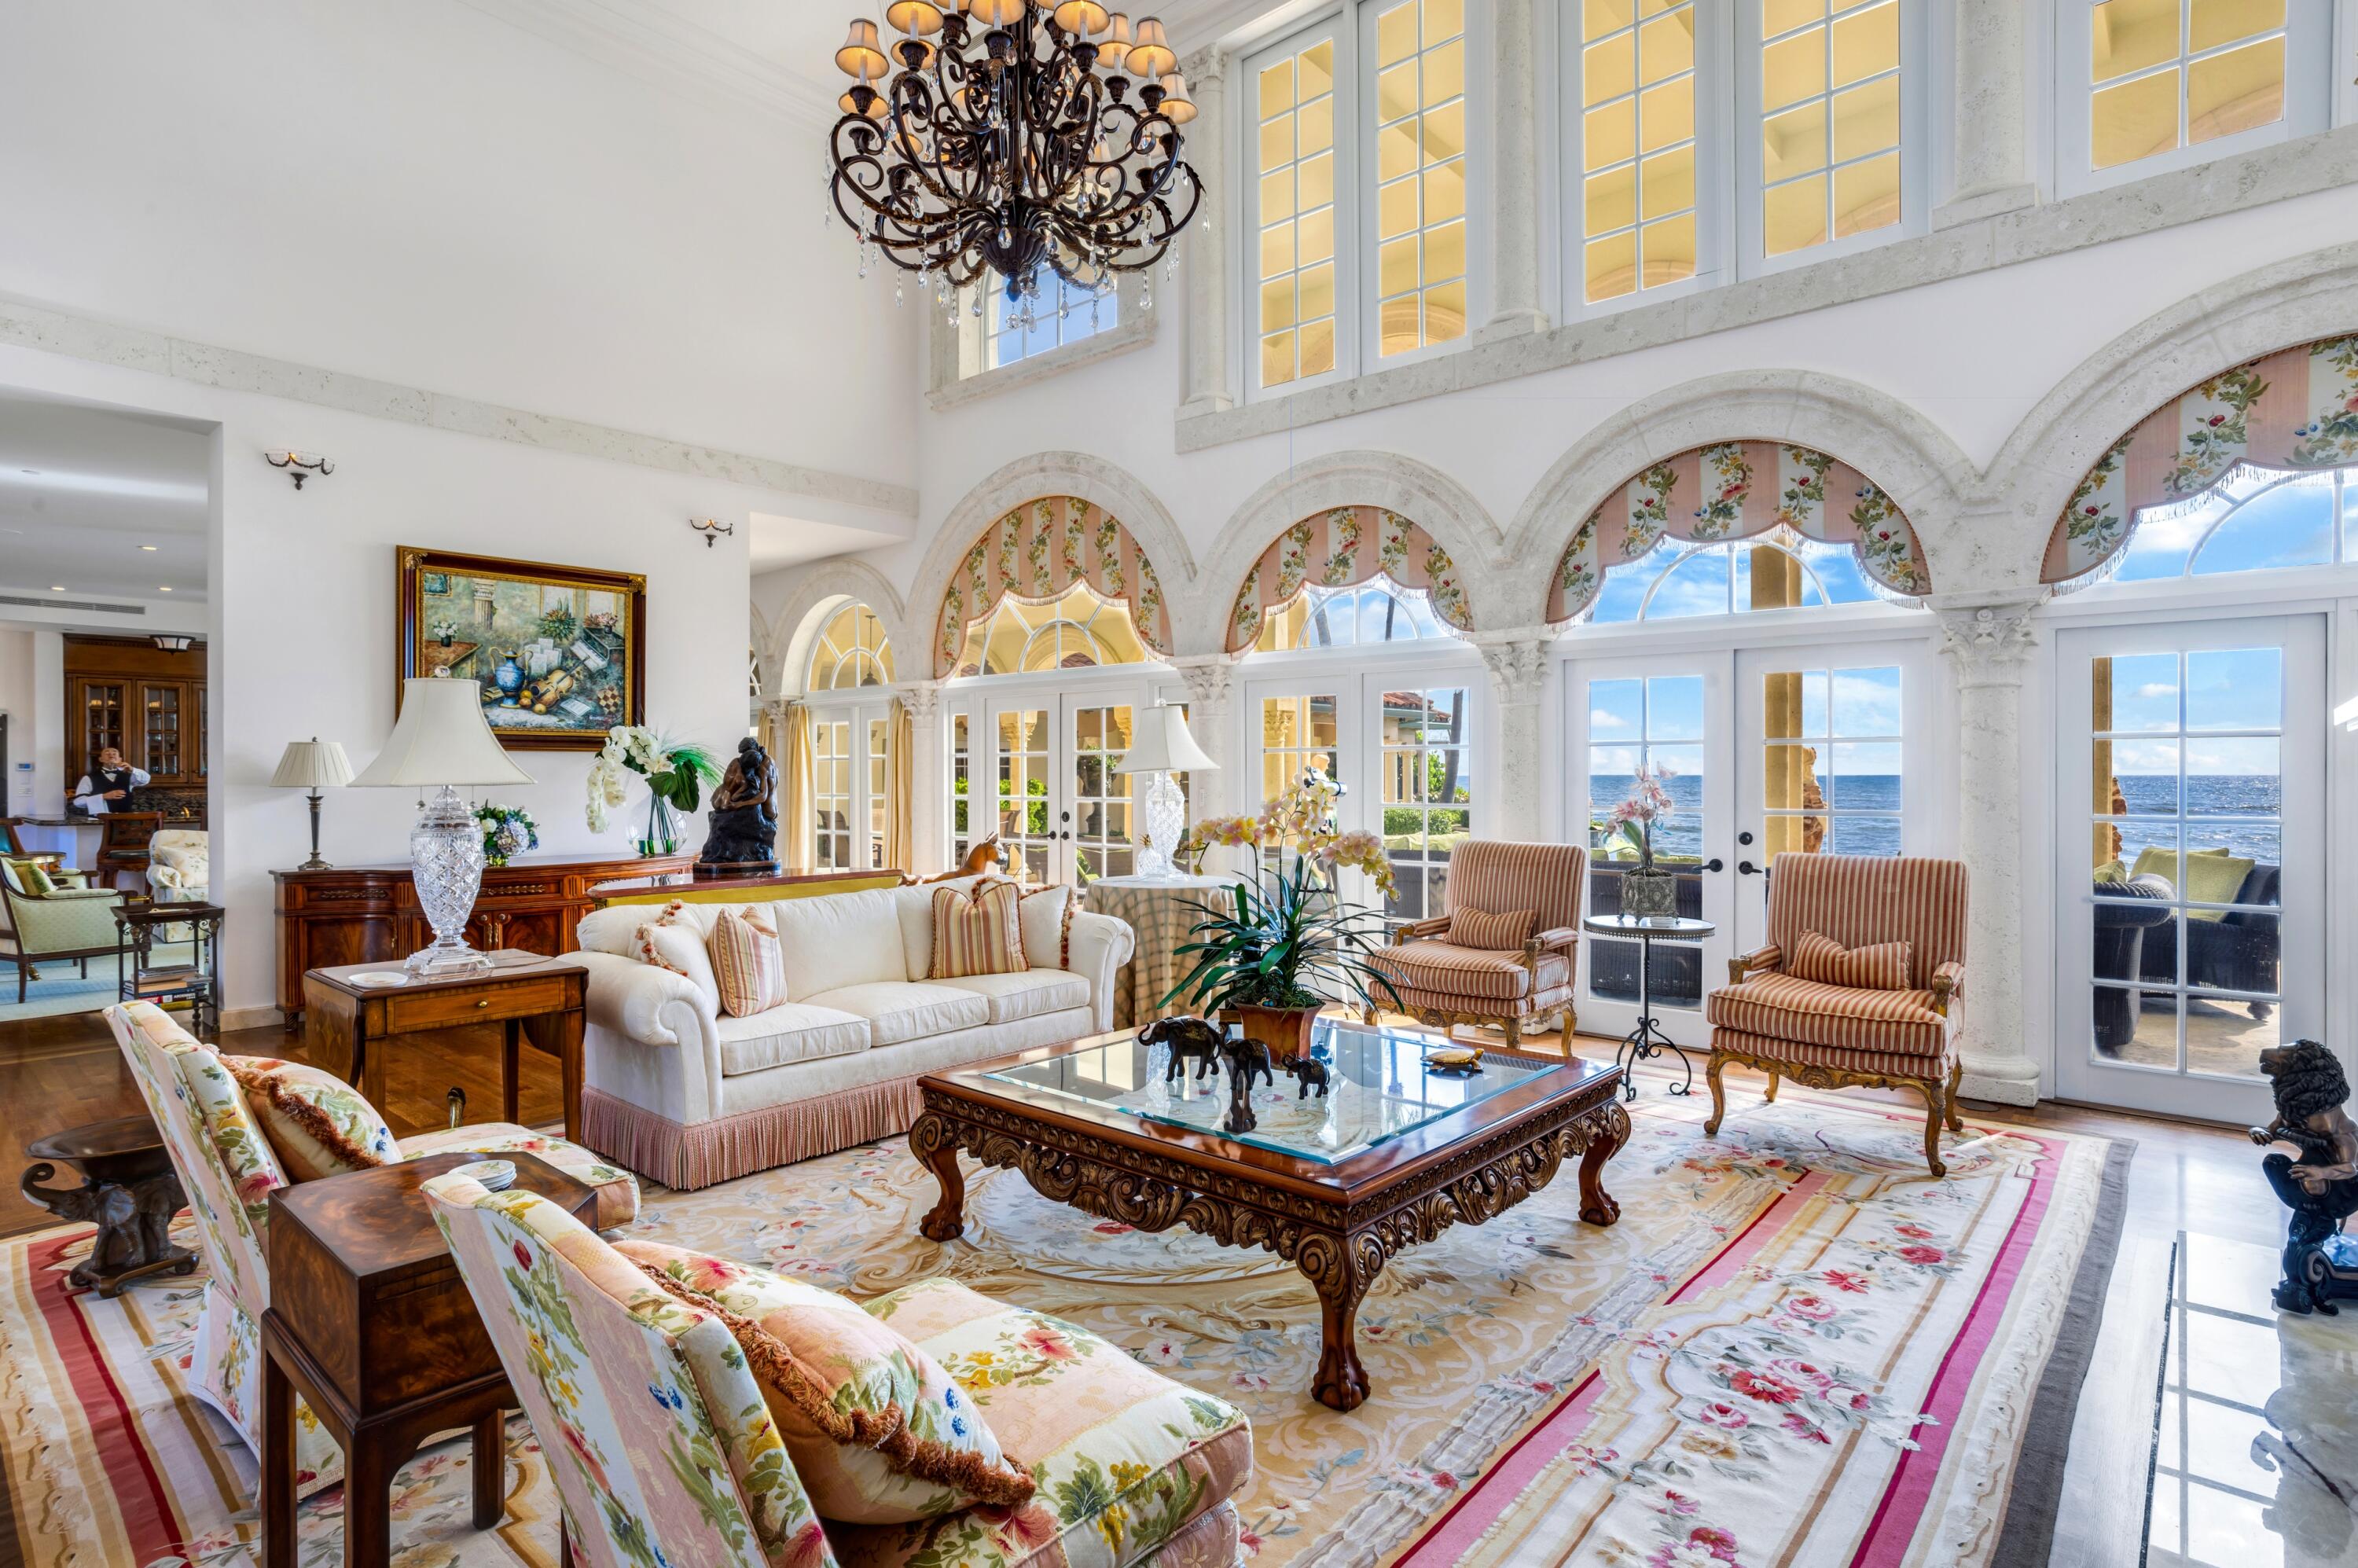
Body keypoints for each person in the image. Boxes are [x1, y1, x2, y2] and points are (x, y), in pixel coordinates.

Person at [68, 746, 149, 815]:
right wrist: (103, 796)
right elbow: (78, 802)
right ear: (101, 759)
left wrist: (132, 769)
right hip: (99, 821)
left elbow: (145, 780)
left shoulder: (129, 776)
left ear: (120, 759)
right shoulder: (89, 778)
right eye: (107, 753)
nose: (111, 755)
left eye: (114, 753)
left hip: (125, 819)